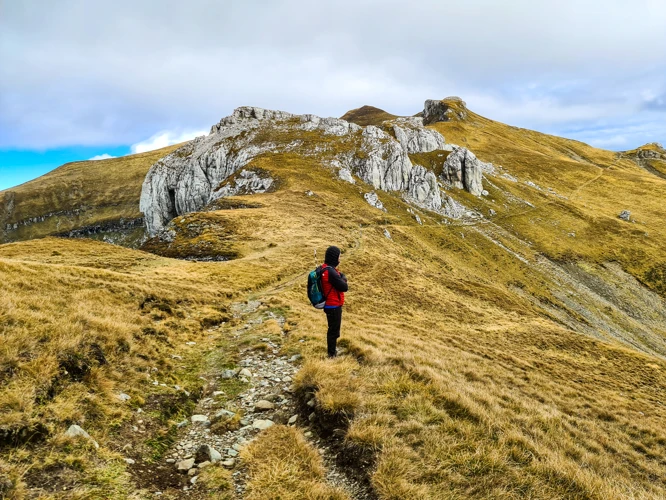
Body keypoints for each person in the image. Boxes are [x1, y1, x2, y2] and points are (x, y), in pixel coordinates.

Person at [321, 246, 348, 358]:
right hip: (333, 305)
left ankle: (332, 351)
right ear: (334, 257)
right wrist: (343, 278)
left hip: (329, 304)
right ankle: (331, 354)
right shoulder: (331, 272)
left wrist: (340, 276)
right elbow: (344, 287)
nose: (340, 259)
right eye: (339, 256)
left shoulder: (324, 268)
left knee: (332, 329)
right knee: (333, 331)